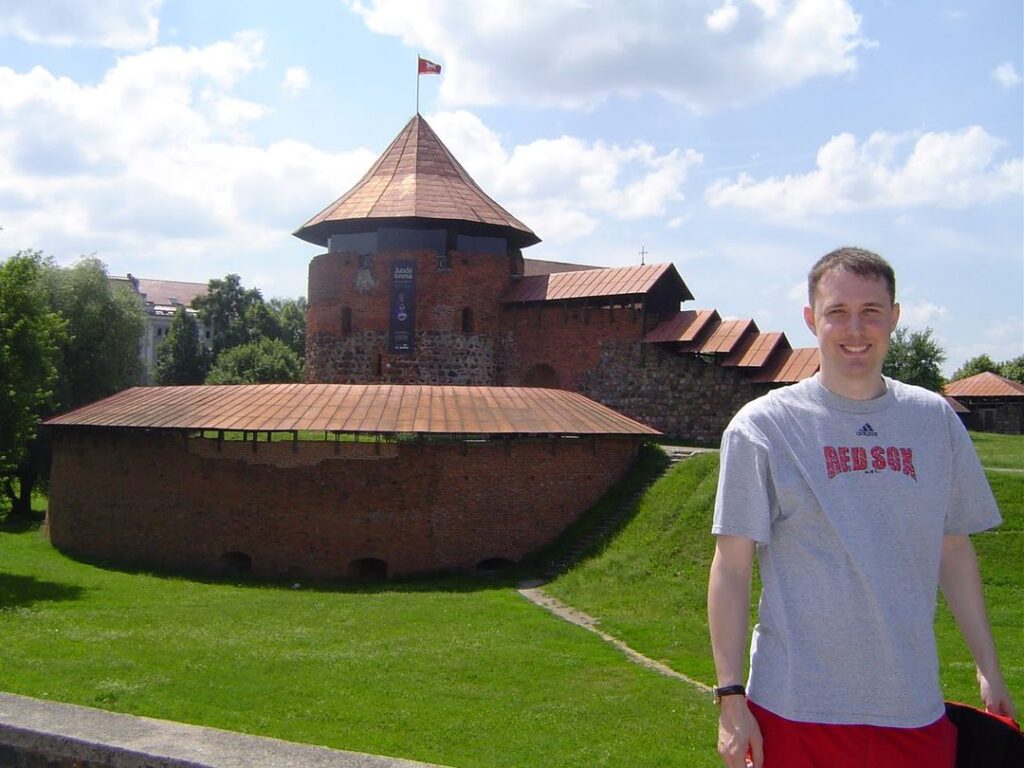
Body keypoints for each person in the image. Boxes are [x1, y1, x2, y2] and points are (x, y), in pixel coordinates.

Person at [707, 247, 1016, 768]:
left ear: (894, 317)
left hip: (913, 708)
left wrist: (989, 665)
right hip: (793, 706)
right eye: (837, 312)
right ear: (811, 319)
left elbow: (954, 550)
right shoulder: (762, 427)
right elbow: (731, 569)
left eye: (871, 311)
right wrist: (730, 698)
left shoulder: (934, 420)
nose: (856, 328)